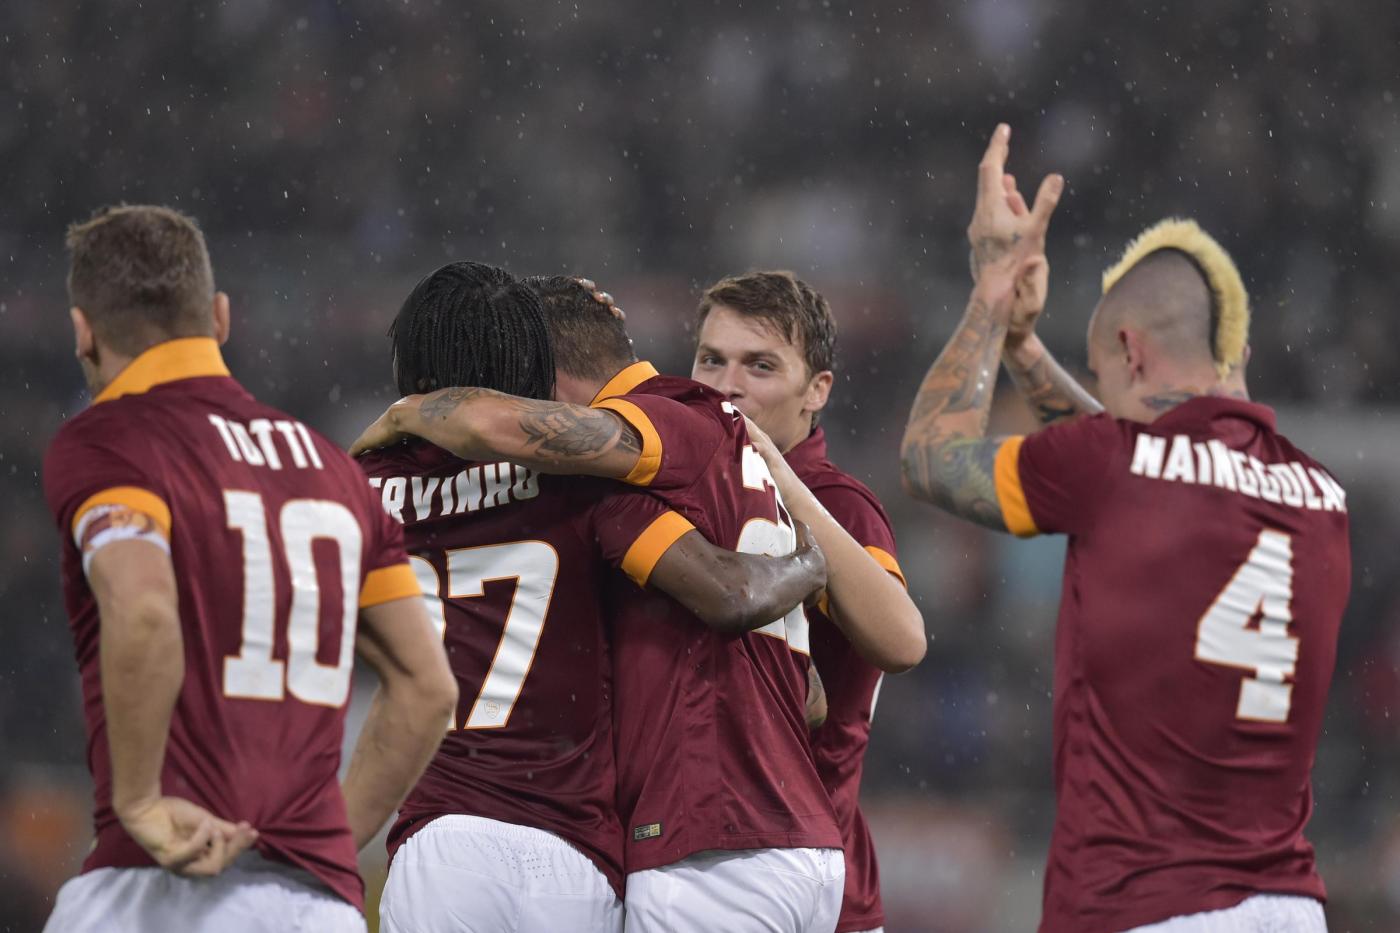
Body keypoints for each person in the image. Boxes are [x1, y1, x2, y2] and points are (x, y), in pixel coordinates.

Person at [899, 125, 1350, 932]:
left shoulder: (1114, 466)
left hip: (1141, 902)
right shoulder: (1321, 496)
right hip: (1287, 903)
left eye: (1103, 371)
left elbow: (931, 458)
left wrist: (992, 298)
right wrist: (1024, 346)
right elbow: (1136, 465)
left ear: (1132, 352)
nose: (1102, 399)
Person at [352, 274, 884, 932]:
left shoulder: (364, 488)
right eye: (712, 358)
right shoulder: (586, 478)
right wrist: (806, 567)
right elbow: (750, 620)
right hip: (581, 850)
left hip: (454, 834)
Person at [41, 205, 458, 933]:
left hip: (160, 889)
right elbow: (428, 689)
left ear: (82, 330)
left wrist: (140, 801)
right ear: (220, 318)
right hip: (314, 906)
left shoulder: (111, 439)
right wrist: (326, 843)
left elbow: (144, 610)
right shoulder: (333, 470)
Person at [690, 270, 925, 933]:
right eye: (711, 359)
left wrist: (781, 479)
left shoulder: (839, 504)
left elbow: (902, 639)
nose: (727, 384)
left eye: (760, 365)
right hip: (713, 862)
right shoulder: (684, 493)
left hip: (807, 880)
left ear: (817, 389)